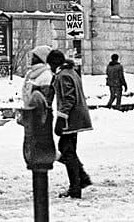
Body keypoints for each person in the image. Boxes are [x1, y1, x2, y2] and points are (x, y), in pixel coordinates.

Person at [48, 48, 93, 199]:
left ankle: (76, 186)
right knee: (68, 150)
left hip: (71, 119)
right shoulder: (71, 72)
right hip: (77, 118)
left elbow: (68, 98)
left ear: (55, 63)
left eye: (51, 65)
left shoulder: (63, 76)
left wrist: (61, 118)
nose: (50, 68)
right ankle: (81, 179)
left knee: (66, 151)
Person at [16, 46, 57, 174]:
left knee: (40, 150)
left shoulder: (45, 76)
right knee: (31, 147)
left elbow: (45, 101)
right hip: (30, 116)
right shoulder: (31, 74)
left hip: (39, 118)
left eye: (34, 57)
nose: (31, 59)